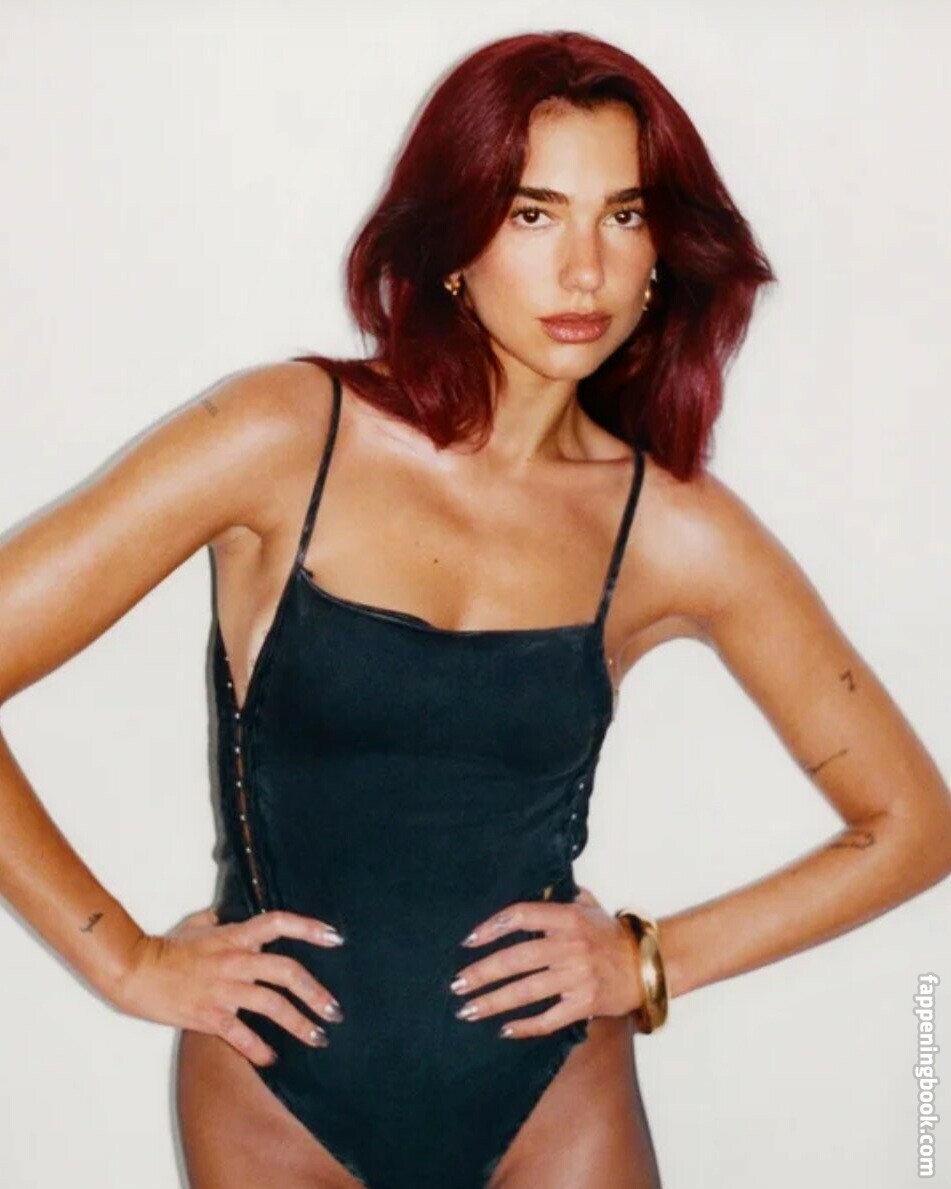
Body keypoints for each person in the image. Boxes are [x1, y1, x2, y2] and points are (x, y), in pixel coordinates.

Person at [0, 28, 949, 1189]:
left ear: (663, 248)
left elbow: (913, 823)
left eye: (625, 215)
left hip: (553, 1099)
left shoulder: (672, 528)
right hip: (273, 1098)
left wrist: (648, 962)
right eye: (534, 214)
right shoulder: (281, 437)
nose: (586, 271)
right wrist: (125, 962)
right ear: (456, 241)